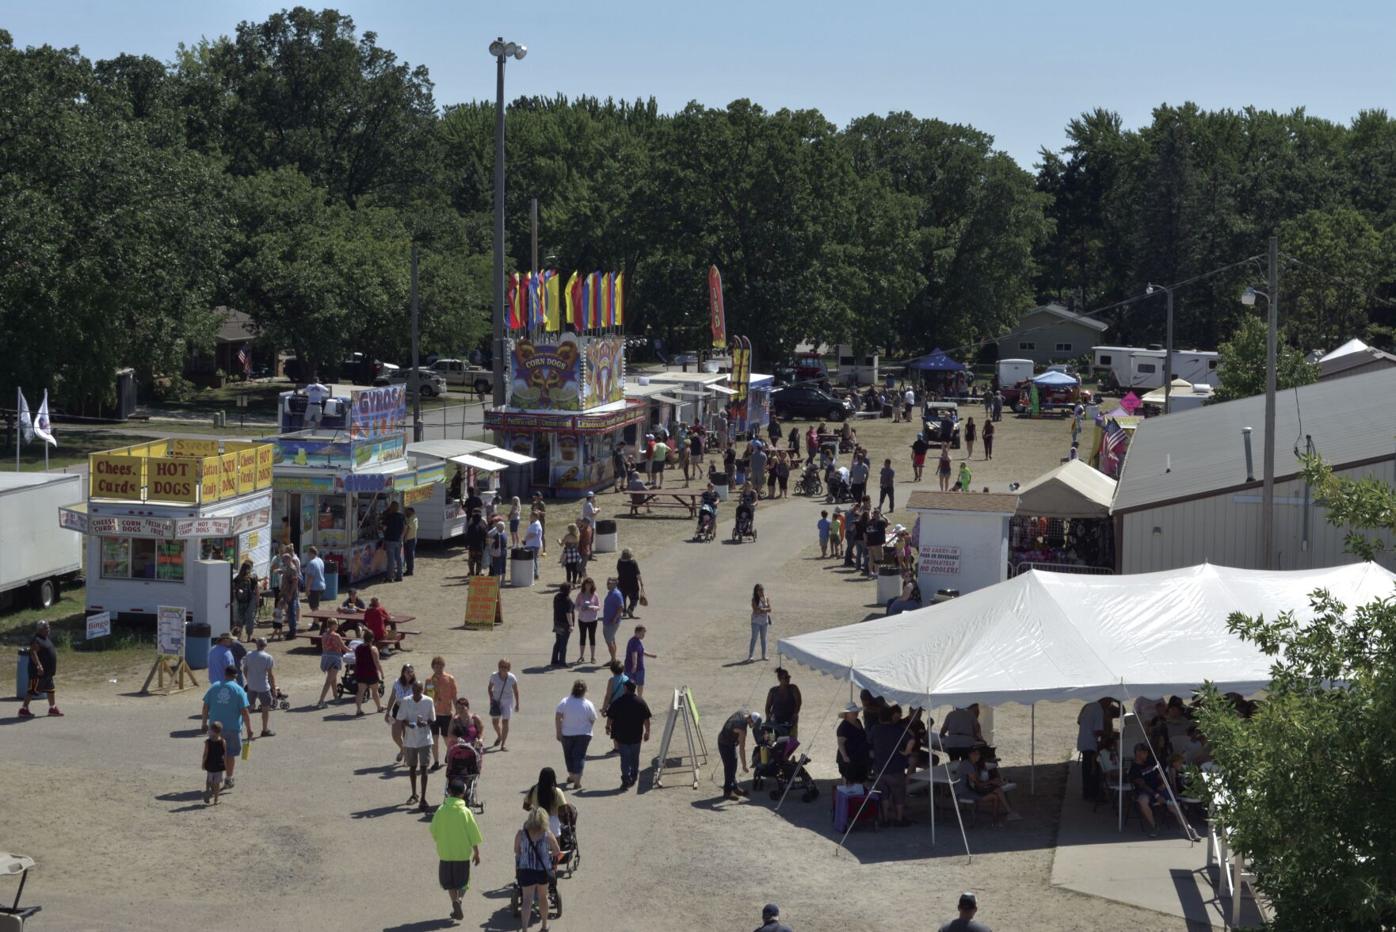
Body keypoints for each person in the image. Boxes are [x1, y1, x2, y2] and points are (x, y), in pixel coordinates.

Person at [430, 780, 484, 921]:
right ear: (463, 794)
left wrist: (442, 841)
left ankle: (454, 901)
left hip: (446, 853)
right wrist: (476, 852)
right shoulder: (465, 812)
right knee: (463, 882)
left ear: (448, 792)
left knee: (449, 883)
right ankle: (459, 900)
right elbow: (473, 835)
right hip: (462, 855)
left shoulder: (441, 810)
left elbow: (434, 831)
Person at [200, 667, 254, 789]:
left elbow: (205, 707)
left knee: (214, 752)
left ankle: (212, 778)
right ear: (235, 676)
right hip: (232, 728)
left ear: (224, 674)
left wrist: (204, 723)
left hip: (215, 728)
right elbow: (244, 712)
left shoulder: (214, 687)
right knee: (230, 754)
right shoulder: (239, 689)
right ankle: (228, 778)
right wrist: (249, 729)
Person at [514, 807, 562, 931]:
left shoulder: (521, 833)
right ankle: (544, 925)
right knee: (543, 897)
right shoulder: (547, 834)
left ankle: (524, 929)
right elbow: (557, 851)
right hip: (542, 871)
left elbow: (516, 851)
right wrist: (548, 854)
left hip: (526, 870)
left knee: (526, 900)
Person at [871, 705, 916, 826]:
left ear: (880, 718)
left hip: (880, 768)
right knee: (899, 794)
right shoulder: (898, 729)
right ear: (891, 717)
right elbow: (912, 740)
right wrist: (907, 752)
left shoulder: (875, 729)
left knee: (884, 795)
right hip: (896, 768)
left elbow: (870, 745)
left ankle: (885, 819)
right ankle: (899, 819)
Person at [1128, 742, 1184, 837]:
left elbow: (1160, 775)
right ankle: (1154, 826)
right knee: (1142, 801)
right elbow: (1143, 785)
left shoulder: (1150, 762)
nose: (1147, 754)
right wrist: (1156, 795)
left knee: (1173, 805)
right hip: (1146, 791)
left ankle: (1186, 827)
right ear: (1138, 753)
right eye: (1145, 752)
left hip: (1159, 788)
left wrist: (1163, 783)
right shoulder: (1134, 769)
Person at [397, 679, 436, 811]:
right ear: (412, 690)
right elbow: (401, 719)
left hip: (425, 739)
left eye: (419, 690)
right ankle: (414, 794)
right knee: (412, 768)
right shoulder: (406, 701)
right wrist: (409, 724)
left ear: (422, 690)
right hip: (410, 740)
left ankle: (423, 798)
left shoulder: (428, 701)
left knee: (424, 768)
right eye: (414, 690)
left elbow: (432, 719)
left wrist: (425, 723)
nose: (416, 693)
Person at [606, 679, 652, 789]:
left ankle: (626, 778)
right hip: (636, 736)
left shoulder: (618, 702)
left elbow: (610, 717)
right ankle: (634, 775)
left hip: (621, 736)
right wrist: (647, 732)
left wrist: (607, 727)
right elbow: (646, 719)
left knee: (625, 759)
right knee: (634, 757)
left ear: (626, 688)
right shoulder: (641, 702)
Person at [959, 746, 1020, 822]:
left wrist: (993, 781)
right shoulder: (967, 765)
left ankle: (1006, 813)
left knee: (997, 790)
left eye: (978, 754)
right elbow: (978, 784)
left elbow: (978, 782)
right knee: (996, 794)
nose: (978, 756)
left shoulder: (972, 764)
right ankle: (999, 817)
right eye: (976, 754)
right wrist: (991, 782)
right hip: (966, 792)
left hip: (972, 789)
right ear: (970, 755)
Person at [555, 680, 597, 788]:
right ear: (585, 691)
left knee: (568, 755)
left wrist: (558, 731)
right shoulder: (588, 704)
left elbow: (558, 716)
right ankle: (577, 781)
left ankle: (572, 776)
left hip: (567, 733)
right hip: (584, 734)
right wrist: (587, 728)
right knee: (580, 756)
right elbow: (593, 719)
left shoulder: (565, 701)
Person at [717, 710, 761, 800]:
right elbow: (742, 749)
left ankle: (734, 787)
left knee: (734, 763)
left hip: (729, 741)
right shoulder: (742, 730)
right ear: (750, 720)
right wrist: (744, 765)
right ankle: (727, 792)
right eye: (753, 724)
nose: (752, 727)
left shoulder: (743, 712)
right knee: (729, 766)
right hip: (724, 743)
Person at [238, 637, 277, 735]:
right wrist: (274, 688)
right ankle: (264, 729)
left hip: (251, 686)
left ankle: (241, 728)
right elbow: (270, 674)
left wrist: (248, 680)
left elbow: (245, 669)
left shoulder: (249, 655)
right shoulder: (268, 657)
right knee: (265, 709)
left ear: (256, 644)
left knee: (248, 708)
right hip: (263, 687)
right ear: (265, 645)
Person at [428, 656, 459, 771]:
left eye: (440, 665)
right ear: (433, 667)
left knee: (447, 738)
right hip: (434, 714)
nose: (438, 668)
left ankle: (449, 753)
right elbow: (430, 698)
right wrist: (435, 688)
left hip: (446, 713)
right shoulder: (429, 680)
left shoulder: (450, 678)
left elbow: (454, 697)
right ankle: (436, 761)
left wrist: (457, 712)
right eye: (436, 666)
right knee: (434, 739)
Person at [1077, 697, 1110, 800]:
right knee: (1092, 769)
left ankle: (1087, 793)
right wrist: (1108, 735)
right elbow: (1097, 731)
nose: (1109, 705)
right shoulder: (1099, 709)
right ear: (1105, 700)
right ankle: (1092, 794)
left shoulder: (1088, 705)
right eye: (1109, 702)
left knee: (1086, 769)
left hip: (1084, 741)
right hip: (1090, 744)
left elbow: (1079, 721)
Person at [487, 659, 521, 750]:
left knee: (505, 722)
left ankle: (503, 744)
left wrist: (517, 704)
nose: (503, 668)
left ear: (509, 668)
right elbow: (490, 688)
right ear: (498, 667)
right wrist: (491, 699)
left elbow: (516, 691)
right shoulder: (494, 676)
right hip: (496, 701)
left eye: (505, 667)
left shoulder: (512, 678)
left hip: (507, 701)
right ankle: (499, 735)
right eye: (501, 666)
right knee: (495, 722)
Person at [387, 664, 418, 761]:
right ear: (403, 672)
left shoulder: (416, 684)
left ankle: (406, 754)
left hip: (410, 711)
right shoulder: (397, 682)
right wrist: (387, 711)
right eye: (407, 672)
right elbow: (392, 697)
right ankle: (404, 750)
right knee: (395, 735)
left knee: (407, 735)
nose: (410, 674)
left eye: (411, 672)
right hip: (397, 709)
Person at [836, 703, 869, 785]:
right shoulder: (843, 727)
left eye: (856, 711)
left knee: (859, 779)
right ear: (846, 714)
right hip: (848, 758)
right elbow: (840, 743)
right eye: (853, 712)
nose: (856, 713)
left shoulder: (858, 721)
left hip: (858, 756)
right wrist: (845, 756)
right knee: (848, 779)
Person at [764, 667, 803, 737]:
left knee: (790, 742)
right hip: (776, 720)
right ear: (779, 679)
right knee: (771, 741)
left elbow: (799, 702)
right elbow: (768, 706)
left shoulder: (793, 688)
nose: (788, 679)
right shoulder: (773, 691)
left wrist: (795, 713)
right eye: (785, 678)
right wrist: (768, 716)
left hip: (789, 720)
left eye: (788, 677)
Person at [574, 577, 601, 664]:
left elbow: (599, 606)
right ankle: (581, 656)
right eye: (587, 584)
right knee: (582, 637)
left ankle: (593, 657)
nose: (588, 586)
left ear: (592, 585)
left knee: (592, 637)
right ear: (584, 585)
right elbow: (576, 606)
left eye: (590, 584)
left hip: (593, 620)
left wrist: (593, 607)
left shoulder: (595, 595)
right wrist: (581, 608)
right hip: (582, 619)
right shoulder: (580, 594)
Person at [624, 626, 656, 697]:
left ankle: (638, 698)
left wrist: (651, 655)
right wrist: (634, 665)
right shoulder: (634, 642)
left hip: (639, 668)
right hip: (632, 668)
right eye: (642, 634)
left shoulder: (637, 641)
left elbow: (641, 651)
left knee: (639, 684)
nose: (644, 636)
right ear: (637, 632)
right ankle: (636, 698)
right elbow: (634, 654)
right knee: (632, 685)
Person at [201, 721, 228, 805]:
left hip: (209, 764)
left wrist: (203, 763)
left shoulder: (207, 742)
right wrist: (226, 766)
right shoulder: (223, 741)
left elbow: (205, 754)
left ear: (212, 731)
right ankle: (216, 800)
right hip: (219, 765)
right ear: (220, 731)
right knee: (217, 783)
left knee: (209, 779)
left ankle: (207, 791)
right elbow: (225, 755)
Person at [232, 560, 260, 638]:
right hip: (250, 600)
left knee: (239, 619)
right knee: (250, 619)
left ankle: (238, 636)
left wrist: (234, 600)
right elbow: (257, 591)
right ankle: (249, 636)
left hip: (239, 601)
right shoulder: (252, 578)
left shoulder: (237, 578)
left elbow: (234, 591)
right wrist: (257, 601)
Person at [550, 583, 575, 668]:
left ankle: (554, 660)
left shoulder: (557, 597)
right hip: (565, 624)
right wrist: (571, 625)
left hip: (557, 622)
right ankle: (562, 661)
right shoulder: (568, 600)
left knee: (558, 641)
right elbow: (568, 613)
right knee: (563, 643)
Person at [602, 577, 625, 664]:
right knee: (611, 640)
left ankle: (613, 660)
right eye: (607, 582)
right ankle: (613, 659)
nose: (607, 584)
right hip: (608, 620)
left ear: (615, 583)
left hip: (611, 622)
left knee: (609, 641)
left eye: (609, 583)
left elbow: (621, 607)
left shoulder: (616, 594)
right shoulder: (611, 592)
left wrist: (615, 618)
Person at [382, 500, 406, 582]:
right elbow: (404, 528)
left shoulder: (389, 517)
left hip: (390, 539)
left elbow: (384, 528)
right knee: (398, 558)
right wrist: (401, 537)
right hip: (398, 540)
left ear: (391, 507)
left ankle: (390, 577)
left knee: (391, 560)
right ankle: (399, 576)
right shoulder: (402, 516)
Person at [616, 549, 643, 618]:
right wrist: (641, 583)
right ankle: (630, 609)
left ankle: (624, 611)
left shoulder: (619, 562)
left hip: (621, 583)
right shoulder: (633, 562)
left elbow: (618, 570)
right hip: (632, 585)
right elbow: (638, 575)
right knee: (635, 598)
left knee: (622, 598)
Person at [748, 584, 772, 662]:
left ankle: (763, 655)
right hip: (756, 622)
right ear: (756, 591)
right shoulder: (754, 599)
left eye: (762, 590)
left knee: (763, 639)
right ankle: (750, 656)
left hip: (764, 622)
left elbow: (770, 609)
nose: (762, 591)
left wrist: (762, 609)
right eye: (760, 590)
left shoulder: (766, 598)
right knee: (754, 638)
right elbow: (756, 610)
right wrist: (765, 609)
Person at [464, 511, 486, 577]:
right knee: (479, 562)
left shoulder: (471, 527)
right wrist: (484, 546)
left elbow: (467, 537)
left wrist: (466, 544)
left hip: (472, 548)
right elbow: (485, 538)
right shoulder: (482, 527)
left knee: (471, 562)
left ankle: (472, 573)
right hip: (480, 547)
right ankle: (477, 574)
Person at [524, 512, 545, 576]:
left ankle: (534, 573)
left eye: (531, 516)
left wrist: (525, 539)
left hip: (533, 544)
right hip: (533, 544)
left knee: (532, 559)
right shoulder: (535, 523)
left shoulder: (535, 524)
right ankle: (535, 573)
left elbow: (533, 534)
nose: (530, 517)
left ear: (535, 517)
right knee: (534, 559)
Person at [403, 506, 419, 576]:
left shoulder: (413, 518)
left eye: (406, 511)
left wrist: (405, 537)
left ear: (411, 511)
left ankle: (410, 570)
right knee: (408, 555)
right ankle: (409, 569)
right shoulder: (410, 518)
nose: (405, 512)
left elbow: (409, 528)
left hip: (410, 539)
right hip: (411, 538)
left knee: (409, 555)